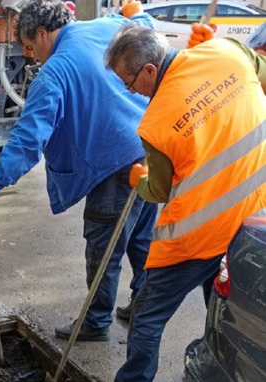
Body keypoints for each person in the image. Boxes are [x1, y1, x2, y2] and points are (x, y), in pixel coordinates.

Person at [0, 0, 158, 341]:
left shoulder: (55, 73)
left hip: (113, 167)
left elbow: (29, 139)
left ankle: (97, 321)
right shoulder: (109, 27)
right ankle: (143, 305)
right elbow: (147, 27)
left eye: (30, 46)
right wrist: (136, 12)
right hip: (149, 151)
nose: (30, 55)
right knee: (142, 239)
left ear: (42, 33)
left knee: (104, 247)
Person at [104, 24, 266, 381]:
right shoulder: (229, 52)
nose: (131, 91)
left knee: (147, 315)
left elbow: (159, 190)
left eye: (130, 83)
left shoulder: (156, 123)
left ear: (149, 70)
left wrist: (138, 180)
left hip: (196, 238)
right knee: (227, 311)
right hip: (251, 222)